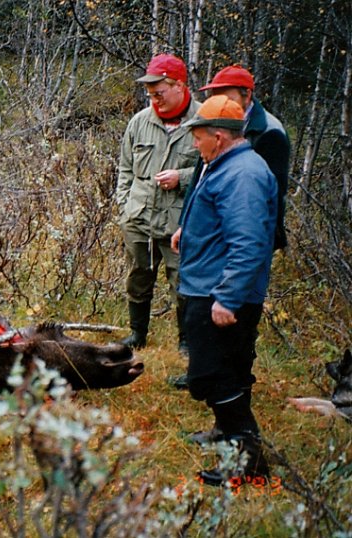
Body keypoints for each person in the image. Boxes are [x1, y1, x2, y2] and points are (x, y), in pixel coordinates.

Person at [175, 95, 278, 486]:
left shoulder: (243, 175)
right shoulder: (225, 165)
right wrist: (191, 230)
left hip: (220, 294)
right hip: (211, 286)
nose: (194, 145)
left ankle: (248, 461)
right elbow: (225, 222)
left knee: (216, 377)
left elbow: (250, 242)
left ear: (218, 136)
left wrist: (228, 298)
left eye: (198, 138)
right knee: (226, 372)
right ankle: (226, 433)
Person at [169, 65, 290, 392]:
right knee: (210, 330)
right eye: (215, 95)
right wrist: (187, 226)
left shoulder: (269, 132)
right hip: (219, 233)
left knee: (235, 320)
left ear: (247, 95)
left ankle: (234, 383)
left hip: (242, 235)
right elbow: (201, 177)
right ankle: (211, 376)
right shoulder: (214, 125)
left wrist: (252, 252)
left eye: (226, 95)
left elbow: (267, 199)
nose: (219, 100)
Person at [116, 54, 201, 354]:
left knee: (184, 283)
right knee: (137, 277)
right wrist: (124, 206)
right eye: (149, 94)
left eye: (159, 92)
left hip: (182, 222)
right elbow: (125, 168)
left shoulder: (203, 120)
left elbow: (217, 168)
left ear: (179, 85)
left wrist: (183, 177)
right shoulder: (140, 122)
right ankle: (137, 334)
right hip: (138, 219)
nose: (153, 99)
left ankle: (187, 341)